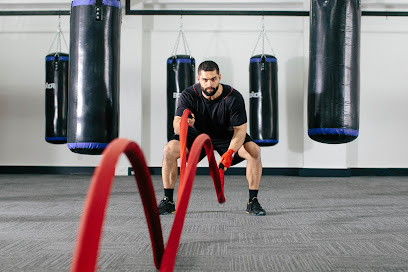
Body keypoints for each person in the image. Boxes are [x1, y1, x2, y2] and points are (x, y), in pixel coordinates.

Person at [158, 60, 265, 216]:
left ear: (219, 77)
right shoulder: (188, 94)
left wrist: (229, 153)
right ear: (198, 79)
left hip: (226, 135)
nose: (209, 84)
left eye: (213, 79)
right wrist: (185, 124)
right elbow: (176, 125)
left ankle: (253, 201)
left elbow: (240, 131)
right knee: (169, 150)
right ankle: (168, 201)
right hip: (196, 135)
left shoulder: (233, 97)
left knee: (254, 151)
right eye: (205, 80)